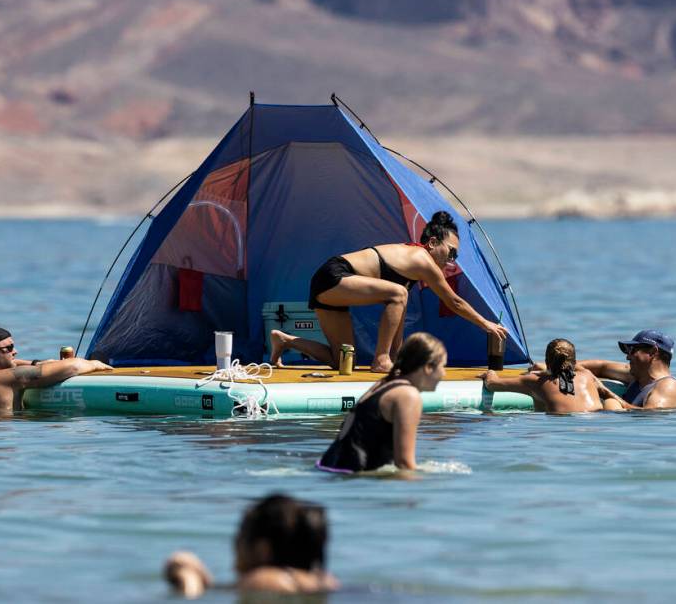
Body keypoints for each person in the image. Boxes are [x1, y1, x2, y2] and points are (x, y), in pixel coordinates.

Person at [269, 211, 507, 373]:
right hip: (334, 275)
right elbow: (454, 302)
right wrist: (486, 324)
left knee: (340, 359)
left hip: (331, 286)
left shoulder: (412, 271)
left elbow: (399, 320)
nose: (452, 260)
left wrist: (398, 358)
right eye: (451, 252)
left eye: (456, 256)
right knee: (398, 294)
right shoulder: (422, 259)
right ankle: (381, 360)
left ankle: (285, 340)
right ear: (432, 243)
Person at [316, 332, 446, 473]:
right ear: (428, 367)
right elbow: (404, 464)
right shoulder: (408, 396)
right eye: (443, 366)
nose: (444, 373)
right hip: (350, 481)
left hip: (328, 469)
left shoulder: (383, 383)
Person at [164, 493, 339, 597]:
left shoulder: (266, 579)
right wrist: (204, 579)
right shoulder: (321, 579)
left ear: (263, 549)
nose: (235, 542)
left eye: (240, 534)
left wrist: (188, 581)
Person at [0, 326, 112, 418]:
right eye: (9, 348)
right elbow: (74, 366)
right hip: (1, 438)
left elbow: (9, 366)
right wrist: (95, 363)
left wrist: (36, 363)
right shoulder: (6, 379)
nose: (15, 351)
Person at [481, 338, 610, 414]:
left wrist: (490, 372)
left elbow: (492, 384)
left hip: (558, 428)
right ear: (575, 363)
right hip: (595, 423)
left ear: (547, 362)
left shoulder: (535, 381)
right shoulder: (587, 376)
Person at [577, 329, 676, 410]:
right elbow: (601, 367)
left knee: (611, 403)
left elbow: (651, 418)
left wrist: (607, 394)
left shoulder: (669, 387)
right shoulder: (634, 375)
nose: (628, 357)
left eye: (632, 350)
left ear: (653, 352)